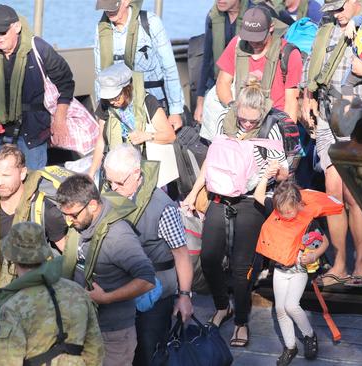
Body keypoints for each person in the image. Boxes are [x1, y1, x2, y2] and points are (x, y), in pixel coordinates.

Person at [182, 80, 288, 348]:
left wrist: (275, 169)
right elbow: (211, 159)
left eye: (253, 120)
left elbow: (285, 171)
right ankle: (221, 306)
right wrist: (194, 192)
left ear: (261, 113)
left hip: (251, 199)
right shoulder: (224, 122)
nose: (248, 124)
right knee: (208, 258)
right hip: (220, 195)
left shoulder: (270, 128)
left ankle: (241, 321)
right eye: (243, 118)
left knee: (242, 268)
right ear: (236, 108)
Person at [302, 0, 362, 289]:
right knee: (333, 194)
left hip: (355, 118)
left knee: (353, 194)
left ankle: (361, 263)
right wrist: (308, 98)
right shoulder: (325, 30)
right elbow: (311, 69)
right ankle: (340, 263)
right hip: (325, 117)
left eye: (340, 7)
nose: (337, 14)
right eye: (332, 8)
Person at [0, 4, 74, 183]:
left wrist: (59, 119)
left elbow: (65, 82)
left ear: (17, 27)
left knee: (33, 188)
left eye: (2, 32)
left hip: (33, 135)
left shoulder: (38, 49)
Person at [102, 144, 195, 366]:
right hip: (119, 289)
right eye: (109, 182)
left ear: (136, 174)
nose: (112, 188)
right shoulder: (110, 194)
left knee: (148, 352)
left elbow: (181, 254)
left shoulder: (162, 207)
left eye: (119, 182)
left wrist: (184, 296)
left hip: (156, 293)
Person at [0, 145, 68, 317]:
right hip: (1, 294)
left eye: (6, 175)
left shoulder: (44, 209)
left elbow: (68, 253)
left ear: (23, 173)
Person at [56, 174, 156, 366]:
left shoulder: (118, 236)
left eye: (73, 215)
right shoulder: (80, 224)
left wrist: (107, 298)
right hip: (81, 328)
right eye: (64, 214)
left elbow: (147, 279)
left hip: (112, 335)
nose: (68, 221)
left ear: (92, 205)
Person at [0, 222, 104, 365]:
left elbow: (7, 362)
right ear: (45, 254)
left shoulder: (13, 307)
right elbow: (95, 351)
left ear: (11, 258)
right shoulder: (78, 292)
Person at [253, 174, 325, 366]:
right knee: (280, 309)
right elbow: (259, 194)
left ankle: (309, 335)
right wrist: (267, 173)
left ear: (298, 205)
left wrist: (314, 255)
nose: (285, 215)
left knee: (292, 306)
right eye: (281, 212)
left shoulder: (308, 221)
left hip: (298, 270)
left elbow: (324, 242)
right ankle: (290, 346)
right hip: (279, 270)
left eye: (289, 212)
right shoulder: (276, 211)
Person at [95, 0, 185, 130]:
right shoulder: (101, 30)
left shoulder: (150, 22)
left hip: (154, 105)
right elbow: (99, 74)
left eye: (113, 7)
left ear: (126, 2)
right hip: (119, 109)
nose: (108, 11)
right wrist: (101, 113)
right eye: (105, 8)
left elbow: (169, 68)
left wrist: (175, 111)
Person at [88, 63, 176, 179]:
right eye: (109, 98)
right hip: (119, 168)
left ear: (127, 89)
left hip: (146, 168)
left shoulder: (148, 102)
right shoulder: (105, 105)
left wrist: (146, 136)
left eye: (116, 97)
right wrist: (91, 172)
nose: (112, 102)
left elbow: (170, 136)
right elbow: (101, 140)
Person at [215, 6, 303, 121]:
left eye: (258, 37)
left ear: (271, 27)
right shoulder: (237, 45)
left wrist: (287, 131)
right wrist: (233, 106)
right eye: (249, 37)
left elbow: (292, 102)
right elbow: (223, 82)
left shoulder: (289, 54)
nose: (253, 42)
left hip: (273, 121)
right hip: (242, 118)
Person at [195, 0, 250, 123]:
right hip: (216, 83)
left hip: (245, 86)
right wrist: (200, 102)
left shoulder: (253, 15)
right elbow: (207, 59)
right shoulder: (213, 16)